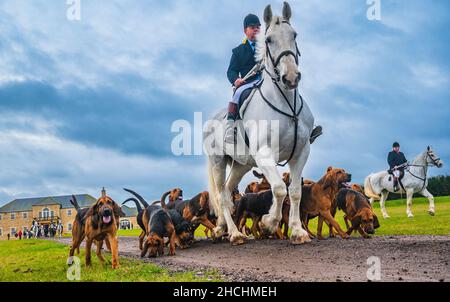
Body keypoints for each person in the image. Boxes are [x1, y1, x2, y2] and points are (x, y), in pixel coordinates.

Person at [224, 14, 323, 145]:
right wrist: (236, 80)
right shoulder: (238, 51)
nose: (256, 30)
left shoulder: (268, 45)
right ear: (245, 31)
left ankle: (308, 126)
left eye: (258, 27)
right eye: (252, 27)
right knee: (237, 94)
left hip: (267, 79)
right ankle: (231, 127)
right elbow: (231, 70)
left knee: (291, 90)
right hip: (248, 83)